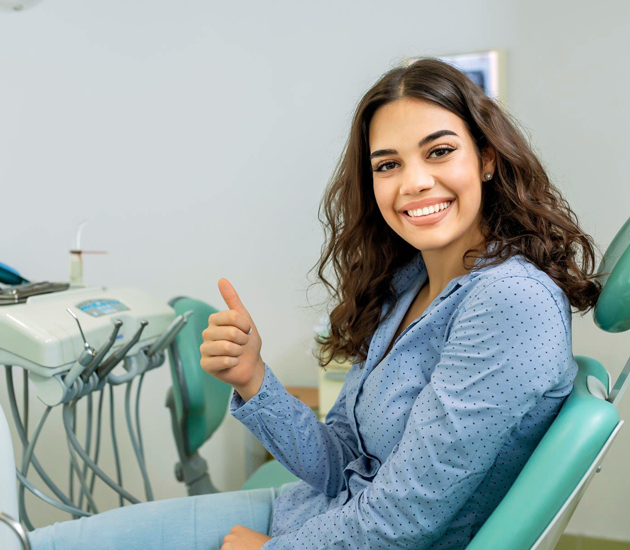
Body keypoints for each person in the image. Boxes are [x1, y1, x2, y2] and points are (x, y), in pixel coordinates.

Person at [28, 57, 603, 550]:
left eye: (440, 151)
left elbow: (407, 519)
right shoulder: (409, 285)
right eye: (388, 164)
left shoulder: (509, 299)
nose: (415, 182)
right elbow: (341, 463)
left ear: (486, 158)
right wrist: (254, 379)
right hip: (318, 516)